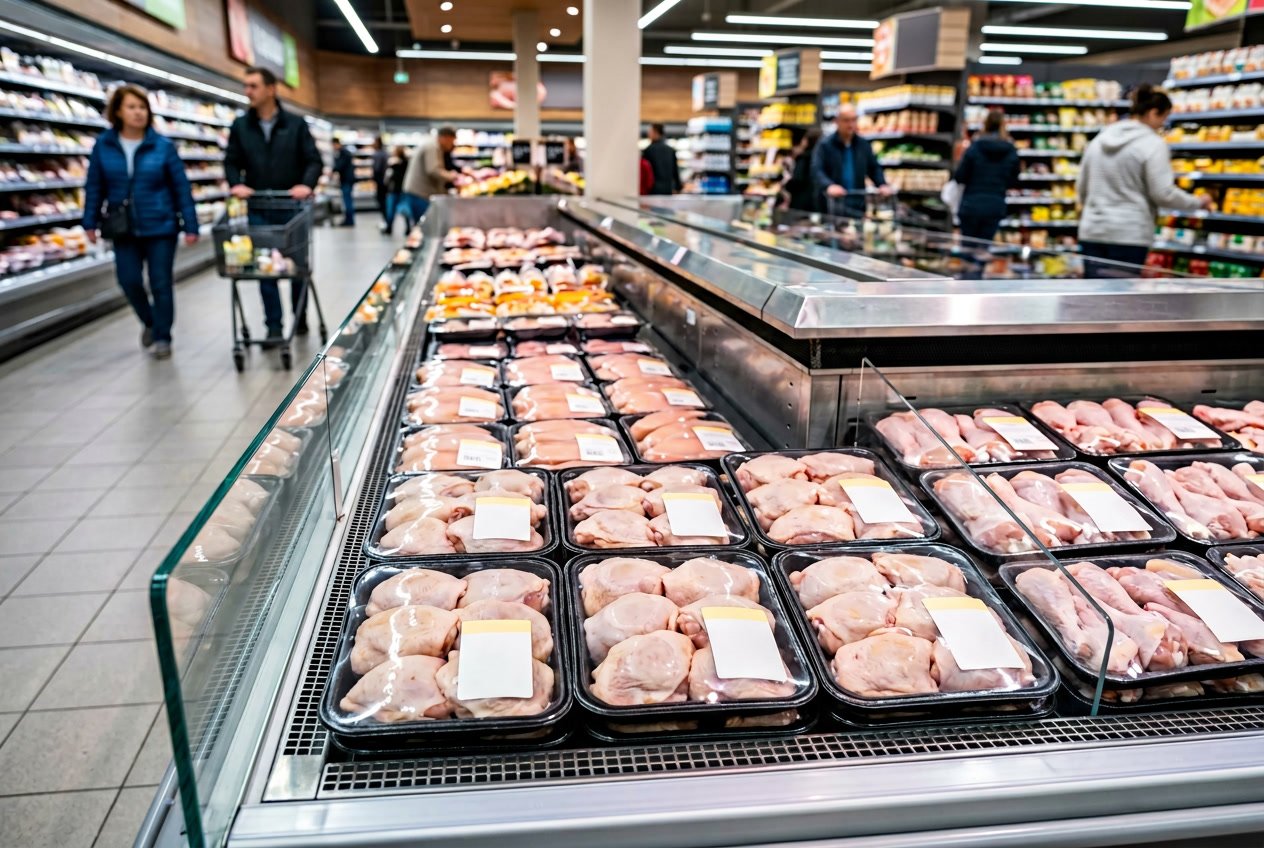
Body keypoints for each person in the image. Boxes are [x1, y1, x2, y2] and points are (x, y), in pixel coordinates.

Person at [82, 83, 199, 360]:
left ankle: (162, 337)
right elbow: (94, 186)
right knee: (129, 280)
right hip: (123, 226)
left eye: (142, 107)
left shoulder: (163, 146)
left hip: (161, 224)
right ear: (118, 112)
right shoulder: (104, 145)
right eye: (131, 107)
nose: (138, 113)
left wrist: (190, 224)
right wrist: (90, 221)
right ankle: (150, 321)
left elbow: (181, 188)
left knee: (160, 283)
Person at [225, 66, 323, 344]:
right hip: (257, 208)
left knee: (295, 266)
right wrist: (236, 184)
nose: (248, 92)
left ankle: (299, 316)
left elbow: (313, 160)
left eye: (253, 86)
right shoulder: (241, 126)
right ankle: (274, 326)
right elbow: (231, 161)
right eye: (245, 86)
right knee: (264, 268)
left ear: (271, 89)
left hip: (291, 208)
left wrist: (307, 184)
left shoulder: (295, 124)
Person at [1078, 83, 1212, 277]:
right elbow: (1163, 193)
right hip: (1129, 233)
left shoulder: (1100, 139)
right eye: (1164, 117)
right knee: (1122, 301)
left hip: (1092, 231)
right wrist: (1198, 203)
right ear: (1152, 113)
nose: (1163, 124)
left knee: (1093, 298)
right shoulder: (1152, 144)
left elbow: (1082, 187)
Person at [811, 103, 891, 219]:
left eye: (854, 120)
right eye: (846, 120)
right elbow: (817, 170)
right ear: (836, 121)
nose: (851, 124)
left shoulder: (863, 145)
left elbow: (874, 168)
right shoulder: (825, 145)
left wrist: (882, 184)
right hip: (831, 206)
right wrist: (829, 186)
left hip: (857, 205)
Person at [953, 109, 1019, 244]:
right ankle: (980, 265)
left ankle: (970, 264)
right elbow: (1014, 179)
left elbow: (960, 176)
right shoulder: (1010, 150)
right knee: (983, 249)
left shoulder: (975, 147)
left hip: (971, 204)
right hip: (995, 205)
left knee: (968, 248)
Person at [400, 127, 458, 223]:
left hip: (418, 192)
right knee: (425, 227)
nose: (452, 144)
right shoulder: (432, 147)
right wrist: (452, 176)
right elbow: (433, 170)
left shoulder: (432, 145)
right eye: (453, 141)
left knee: (422, 225)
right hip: (420, 194)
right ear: (446, 138)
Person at [783, 127, 821, 213]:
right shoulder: (821, 158)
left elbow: (797, 179)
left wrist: (787, 186)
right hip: (816, 200)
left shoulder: (804, 158)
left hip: (801, 201)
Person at [641, 123, 681, 195]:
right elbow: (675, 171)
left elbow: (645, 173)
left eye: (650, 132)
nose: (648, 134)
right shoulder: (670, 150)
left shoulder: (648, 150)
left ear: (656, 132)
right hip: (668, 189)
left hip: (652, 190)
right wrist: (678, 187)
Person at [381, 145, 409, 235]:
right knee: (405, 210)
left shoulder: (393, 164)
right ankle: (408, 228)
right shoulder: (407, 163)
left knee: (391, 210)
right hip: (404, 189)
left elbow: (388, 177)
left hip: (394, 190)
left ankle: (389, 227)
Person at [332, 139, 356, 227]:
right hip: (347, 180)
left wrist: (332, 170)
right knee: (347, 201)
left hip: (347, 180)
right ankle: (349, 220)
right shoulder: (345, 152)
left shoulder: (343, 153)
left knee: (347, 201)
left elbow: (340, 166)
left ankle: (349, 221)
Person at [370, 136, 389, 227]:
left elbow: (377, 169)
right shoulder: (385, 153)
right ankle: (387, 220)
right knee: (385, 201)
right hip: (386, 182)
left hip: (380, 182)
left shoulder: (377, 154)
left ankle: (386, 221)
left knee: (381, 201)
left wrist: (374, 179)